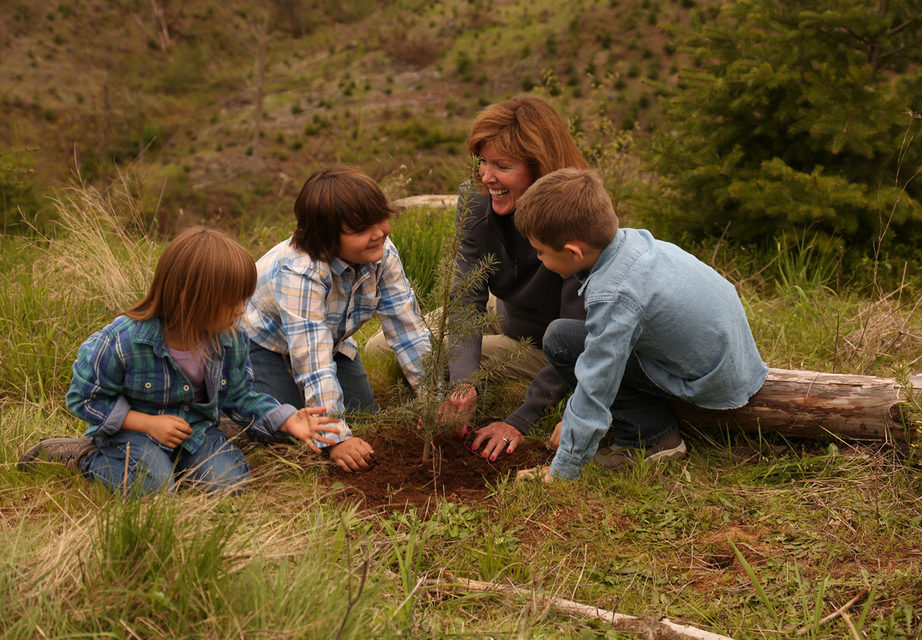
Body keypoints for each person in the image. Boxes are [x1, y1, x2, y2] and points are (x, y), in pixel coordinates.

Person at [17, 227, 338, 497]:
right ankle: (86, 457)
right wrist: (146, 424)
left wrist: (288, 419)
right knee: (154, 490)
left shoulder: (229, 339)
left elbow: (241, 396)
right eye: (231, 302)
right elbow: (83, 397)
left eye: (244, 299)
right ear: (189, 298)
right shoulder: (124, 341)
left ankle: (185, 457)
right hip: (133, 431)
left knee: (228, 486)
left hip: (193, 428)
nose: (242, 311)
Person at [368, 96, 589, 462]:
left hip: (541, 343)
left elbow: (577, 337)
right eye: (483, 161)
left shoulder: (575, 216)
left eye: (502, 165)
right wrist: (463, 384)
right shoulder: (478, 201)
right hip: (502, 310)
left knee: (430, 359)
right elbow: (466, 297)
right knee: (381, 346)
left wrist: (522, 417)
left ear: (541, 167)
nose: (487, 177)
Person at [513, 168, 769, 481]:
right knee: (573, 335)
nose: (539, 258)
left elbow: (597, 382)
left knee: (561, 340)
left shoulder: (614, 293)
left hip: (711, 380)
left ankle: (650, 437)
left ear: (573, 252)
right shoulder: (631, 243)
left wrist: (564, 468)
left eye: (540, 251)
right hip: (736, 360)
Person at [242, 165, 431, 473]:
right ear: (326, 238)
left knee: (363, 418)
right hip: (262, 344)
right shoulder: (300, 270)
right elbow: (312, 361)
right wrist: (335, 439)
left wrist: (433, 399)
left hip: (330, 341)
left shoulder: (383, 253)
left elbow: (408, 330)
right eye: (360, 229)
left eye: (380, 218)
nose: (379, 232)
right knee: (291, 433)